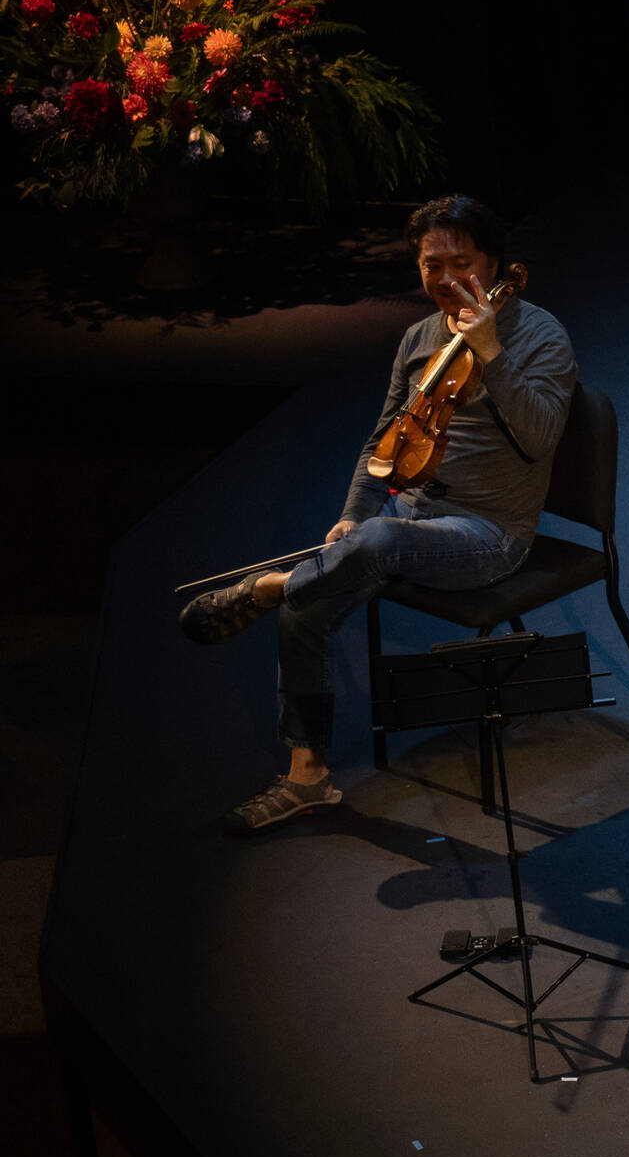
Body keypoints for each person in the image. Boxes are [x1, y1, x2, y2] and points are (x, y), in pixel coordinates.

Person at [178, 195, 577, 835]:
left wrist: (493, 354)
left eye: (461, 263)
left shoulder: (542, 336)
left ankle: (274, 586)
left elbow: (540, 439)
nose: (445, 280)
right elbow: (381, 447)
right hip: (410, 523)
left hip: (490, 535)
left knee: (368, 546)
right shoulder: (418, 338)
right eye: (431, 265)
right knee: (326, 589)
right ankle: (307, 778)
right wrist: (349, 517)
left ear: (495, 262)